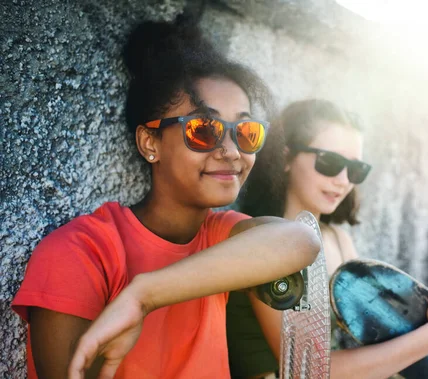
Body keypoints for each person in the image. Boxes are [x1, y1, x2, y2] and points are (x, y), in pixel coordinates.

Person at [11, 13, 320, 379]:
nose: (232, 150)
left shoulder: (222, 236)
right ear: (150, 143)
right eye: (204, 130)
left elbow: (301, 239)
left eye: (246, 131)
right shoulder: (79, 252)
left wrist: (144, 296)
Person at [227, 99, 428, 379]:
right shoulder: (266, 242)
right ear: (286, 158)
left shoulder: (338, 240)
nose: (344, 180)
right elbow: (307, 370)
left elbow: (382, 341)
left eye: (356, 170)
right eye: (330, 162)